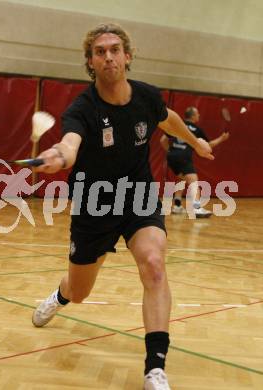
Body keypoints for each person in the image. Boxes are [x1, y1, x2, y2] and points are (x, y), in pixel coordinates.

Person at [32, 23, 213, 390]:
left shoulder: (146, 96)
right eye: (100, 52)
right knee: (81, 291)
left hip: (138, 195)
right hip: (93, 203)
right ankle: (61, 295)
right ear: (91, 62)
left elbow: (169, 120)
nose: (109, 56)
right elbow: (70, 142)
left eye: (115, 49)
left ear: (128, 56)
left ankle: (155, 367)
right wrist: (59, 155)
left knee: (154, 264)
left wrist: (194, 143)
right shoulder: (82, 108)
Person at [160, 106, 229, 217]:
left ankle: (177, 206)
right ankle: (196, 208)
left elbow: (163, 140)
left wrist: (172, 151)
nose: (199, 115)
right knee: (193, 182)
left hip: (172, 156)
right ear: (192, 116)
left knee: (182, 178)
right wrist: (222, 139)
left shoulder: (179, 125)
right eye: (197, 114)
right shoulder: (196, 130)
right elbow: (208, 146)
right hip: (184, 157)